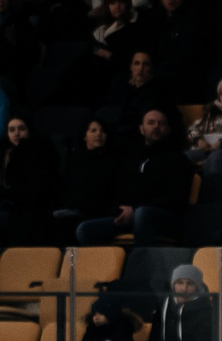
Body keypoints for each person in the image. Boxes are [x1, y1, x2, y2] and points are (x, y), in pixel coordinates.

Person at [76, 106, 189, 246]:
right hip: (132, 216)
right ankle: (115, 266)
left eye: (161, 123)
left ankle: (143, 264)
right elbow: (118, 191)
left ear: (168, 129)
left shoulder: (177, 159)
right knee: (85, 229)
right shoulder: (132, 159)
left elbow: (174, 199)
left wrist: (135, 209)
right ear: (141, 129)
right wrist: (120, 209)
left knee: (142, 214)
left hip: (165, 218)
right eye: (151, 122)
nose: (156, 126)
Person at [0, 112, 61, 247]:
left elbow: (35, 188)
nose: (16, 133)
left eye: (21, 129)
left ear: (29, 130)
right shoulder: (5, 151)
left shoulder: (40, 151)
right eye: (12, 130)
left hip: (31, 205)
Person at [57, 118, 121, 243]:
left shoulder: (113, 161)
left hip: (101, 212)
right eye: (93, 130)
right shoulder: (74, 161)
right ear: (85, 136)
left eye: (102, 131)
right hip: (76, 209)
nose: (98, 134)